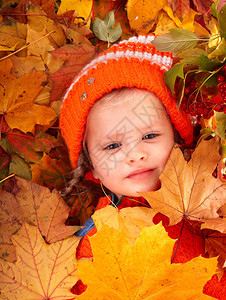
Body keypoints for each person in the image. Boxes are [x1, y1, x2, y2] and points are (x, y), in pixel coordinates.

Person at [60, 36, 225, 298]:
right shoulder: (101, 239)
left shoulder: (215, 181)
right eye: (112, 146)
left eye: (149, 136)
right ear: (92, 168)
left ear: (177, 136)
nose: (135, 154)